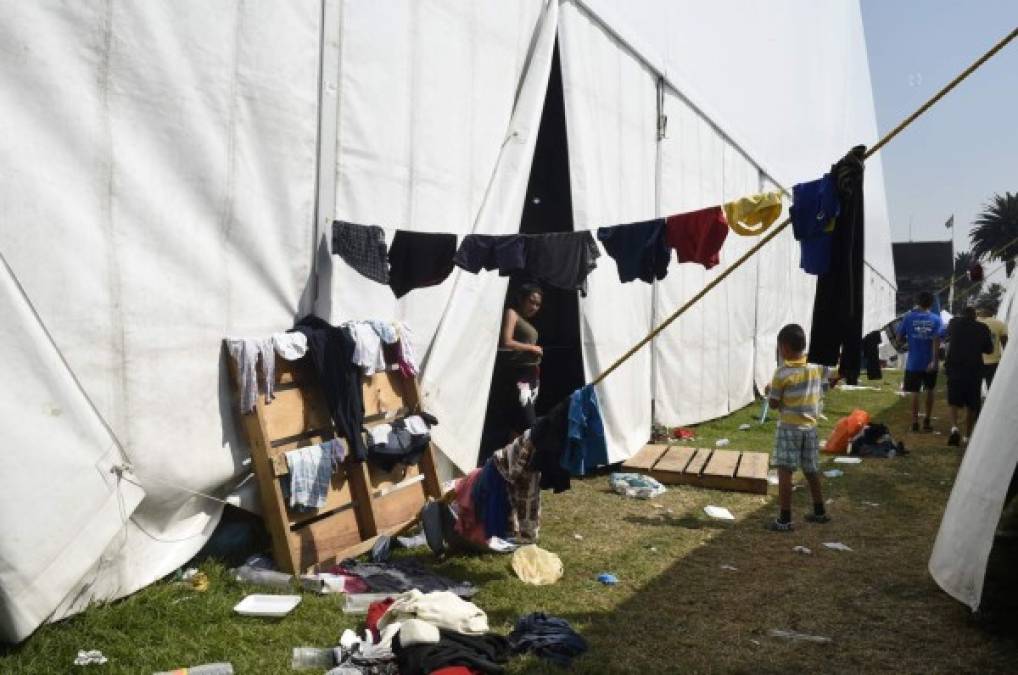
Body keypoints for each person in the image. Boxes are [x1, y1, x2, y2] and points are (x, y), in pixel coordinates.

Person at [765, 324, 833, 532]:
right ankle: (820, 511)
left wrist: (769, 391)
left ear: (784, 347)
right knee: (811, 469)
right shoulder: (816, 367)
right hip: (810, 428)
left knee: (785, 471)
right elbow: (826, 385)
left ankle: (785, 519)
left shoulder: (782, 373)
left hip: (788, 428)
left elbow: (774, 403)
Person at [495, 283, 544, 442]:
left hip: (532, 377)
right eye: (531, 301)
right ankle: (521, 462)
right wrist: (531, 348)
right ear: (521, 299)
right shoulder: (512, 313)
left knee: (518, 424)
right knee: (529, 423)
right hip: (520, 375)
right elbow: (506, 342)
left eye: (537, 304)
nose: (534, 307)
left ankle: (510, 463)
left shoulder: (528, 323)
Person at [945, 306, 994, 446]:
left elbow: (948, 334)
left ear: (961, 315)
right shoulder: (983, 328)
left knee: (953, 400)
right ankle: (967, 436)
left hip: (955, 368)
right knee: (972, 404)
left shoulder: (954, 323)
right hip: (974, 370)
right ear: (975, 316)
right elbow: (989, 350)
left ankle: (954, 428)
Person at [896, 291, 943, 433]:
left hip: (913, 362)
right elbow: (937, 341)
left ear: (918, 302)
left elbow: (898, 338)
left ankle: (915, 423)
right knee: (930, 390)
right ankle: (927, 421)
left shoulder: (908, 317)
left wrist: (909, 341)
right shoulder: (936, 319)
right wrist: (934, 362)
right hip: (929, 362)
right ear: (931, 304)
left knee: (915, 392)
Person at [977, 303, 1009, 389]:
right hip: (993, 362)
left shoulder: (974, 323)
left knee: (974, 387)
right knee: (991, 387)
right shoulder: (1000, 324)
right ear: (993, 311)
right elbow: (1005, 344)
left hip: (976, 361)